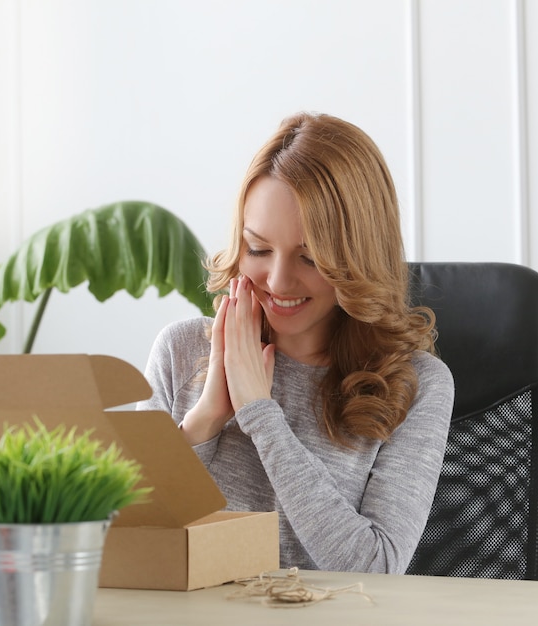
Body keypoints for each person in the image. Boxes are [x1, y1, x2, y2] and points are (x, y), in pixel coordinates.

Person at [137, 112, 455, 574]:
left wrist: (261, 416)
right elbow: (137, 548)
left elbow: (376, 568)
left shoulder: (417, 384)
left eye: (309, 257)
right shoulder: (179, 351)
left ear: (357, 257)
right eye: (259, 249)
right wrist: (205, 419)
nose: (279, 281)